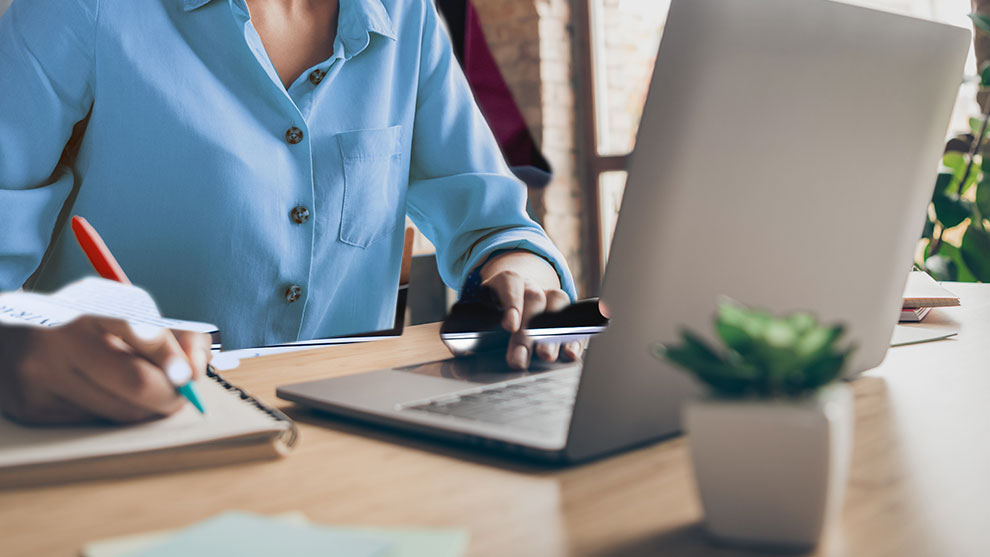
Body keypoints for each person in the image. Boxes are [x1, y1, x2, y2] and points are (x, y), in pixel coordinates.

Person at [0, 0, 578, 423]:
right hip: (127, 437)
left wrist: (521, 275)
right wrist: (15, 353)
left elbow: (495, 224)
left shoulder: (408, 17)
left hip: (355, 442)